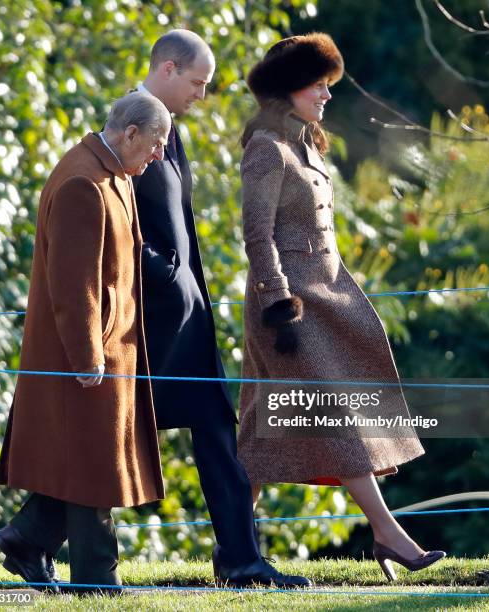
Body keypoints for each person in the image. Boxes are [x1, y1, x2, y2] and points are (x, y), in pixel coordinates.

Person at [237, 32, 446, 582]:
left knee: (261, 433)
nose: (327, 95)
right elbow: (257, 237)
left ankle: (234, 551)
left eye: (328, 84)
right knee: (335, 418)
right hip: (289, 309)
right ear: (288, 89)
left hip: (323, 303)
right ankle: (388, 533)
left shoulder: (304, 142)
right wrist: (279, 303)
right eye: (318, 84)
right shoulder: (266, 146)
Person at [132, 29, 309, 588]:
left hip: (187, 320)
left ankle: (240, 558)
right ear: (166, 69)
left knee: (214, 428)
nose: (201, 96)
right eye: (197, 83)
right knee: (116, 431)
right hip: (148, 325)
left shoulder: (171, 130)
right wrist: (162, 274)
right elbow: (110, 219)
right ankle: (31, 533)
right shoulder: (126, 126)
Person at [0, 92, 171, 594]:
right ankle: (98, 581)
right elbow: (75, 287)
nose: (159, 156)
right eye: (155, 144)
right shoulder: (81, 180)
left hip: (111, 348)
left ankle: (27, 539)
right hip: (83, 352)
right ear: (130, 133)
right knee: (95, 467)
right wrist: (87, 356)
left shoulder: (113, 172)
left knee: (88, 461)